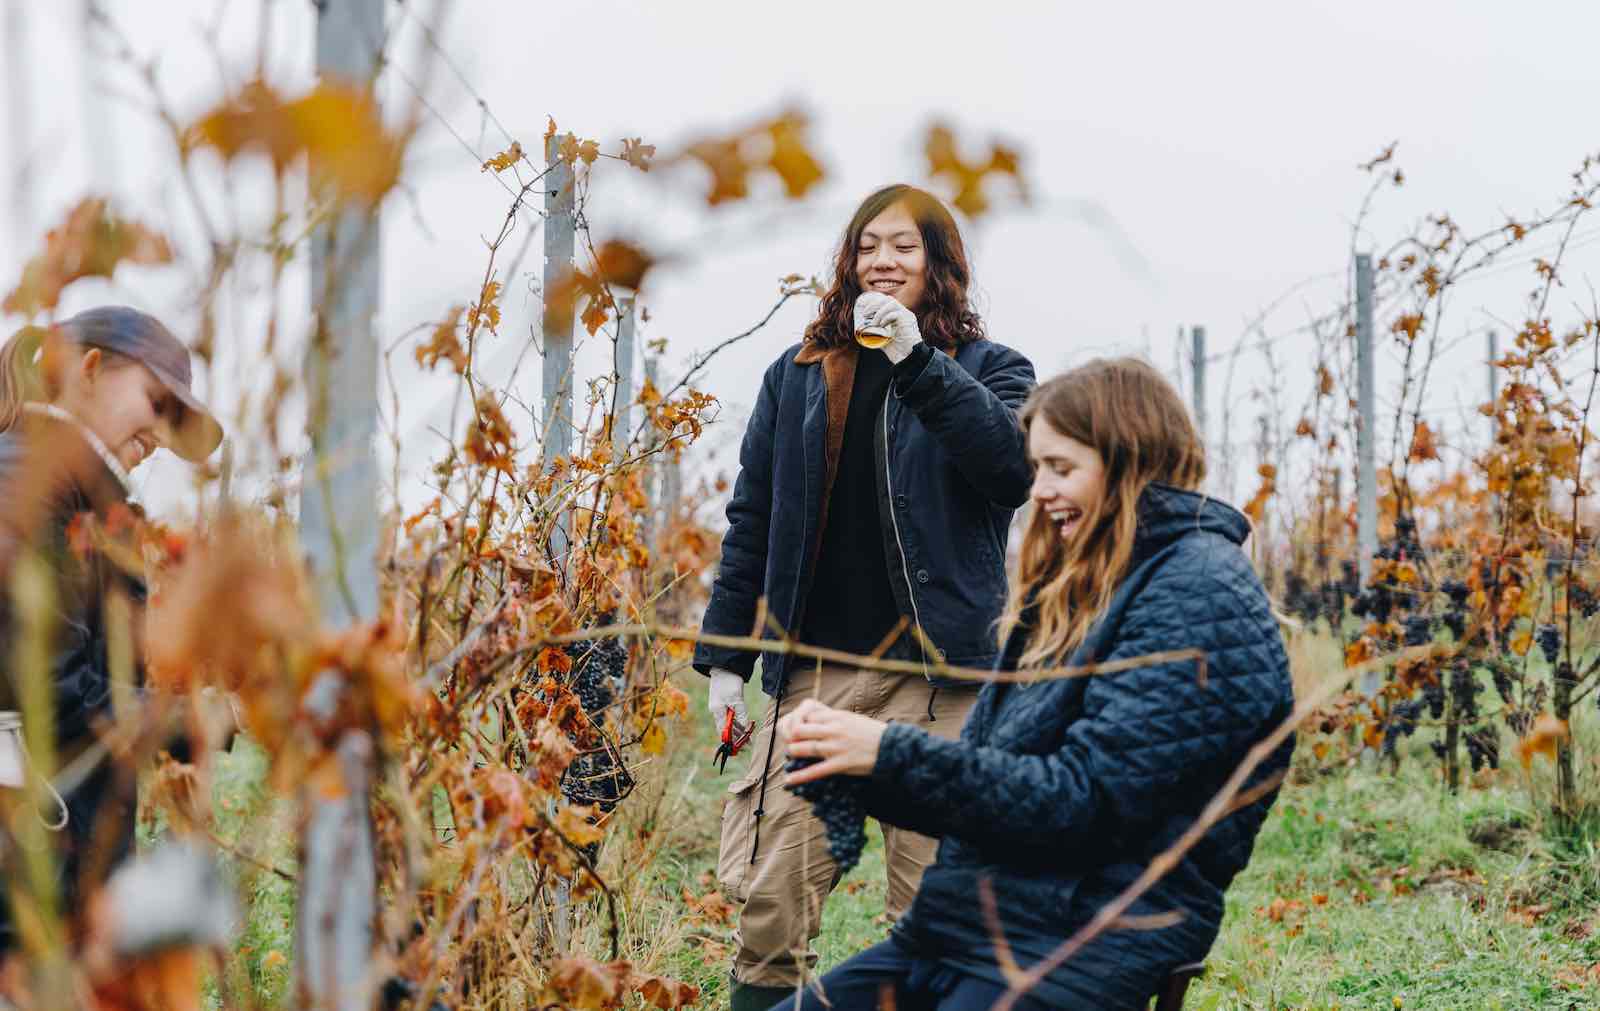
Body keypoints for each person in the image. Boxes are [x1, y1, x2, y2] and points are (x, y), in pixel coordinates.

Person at [772, 358, 1296, 1009]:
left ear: (1130, 461)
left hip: (1081, 943)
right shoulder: (1079, 584)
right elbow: (997, 782)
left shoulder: (1197, 590)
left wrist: (889, 752)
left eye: (1061, 468)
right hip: (964, 928)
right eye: (1037, 466)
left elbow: (1087, 802)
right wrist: (857, 763)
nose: (1038, 489)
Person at [694, 184, 1035, 1009]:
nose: (882, 260)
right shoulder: (796, 377)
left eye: (904, 246)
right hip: (816, 678)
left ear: (939, 264)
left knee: (939, 909)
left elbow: (1011, 470)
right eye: (867, 245)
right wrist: (726, 662)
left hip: (940, 683)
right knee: (771, 901)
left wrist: (917, 363)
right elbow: (752, 518)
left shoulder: (993, 370)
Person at [0, 306, 222, 952]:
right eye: (156, 402)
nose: (162, 433)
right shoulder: (31, 480)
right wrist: (182, 720)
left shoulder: (73, 491)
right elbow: (45, 686)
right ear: (90, 369)